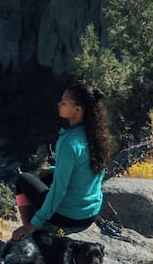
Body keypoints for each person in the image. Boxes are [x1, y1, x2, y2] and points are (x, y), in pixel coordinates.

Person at [11, 83, 112, 241]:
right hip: (90, 213)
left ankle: (31, 234)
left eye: (64, 103)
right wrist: (53, 170)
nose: (59, 104)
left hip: (70, 218)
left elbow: (59, 190)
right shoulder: (96, 135)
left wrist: (33, 224)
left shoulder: (69, 142)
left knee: (23, 180)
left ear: (77, 109)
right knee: (45, 177)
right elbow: (86, 168)